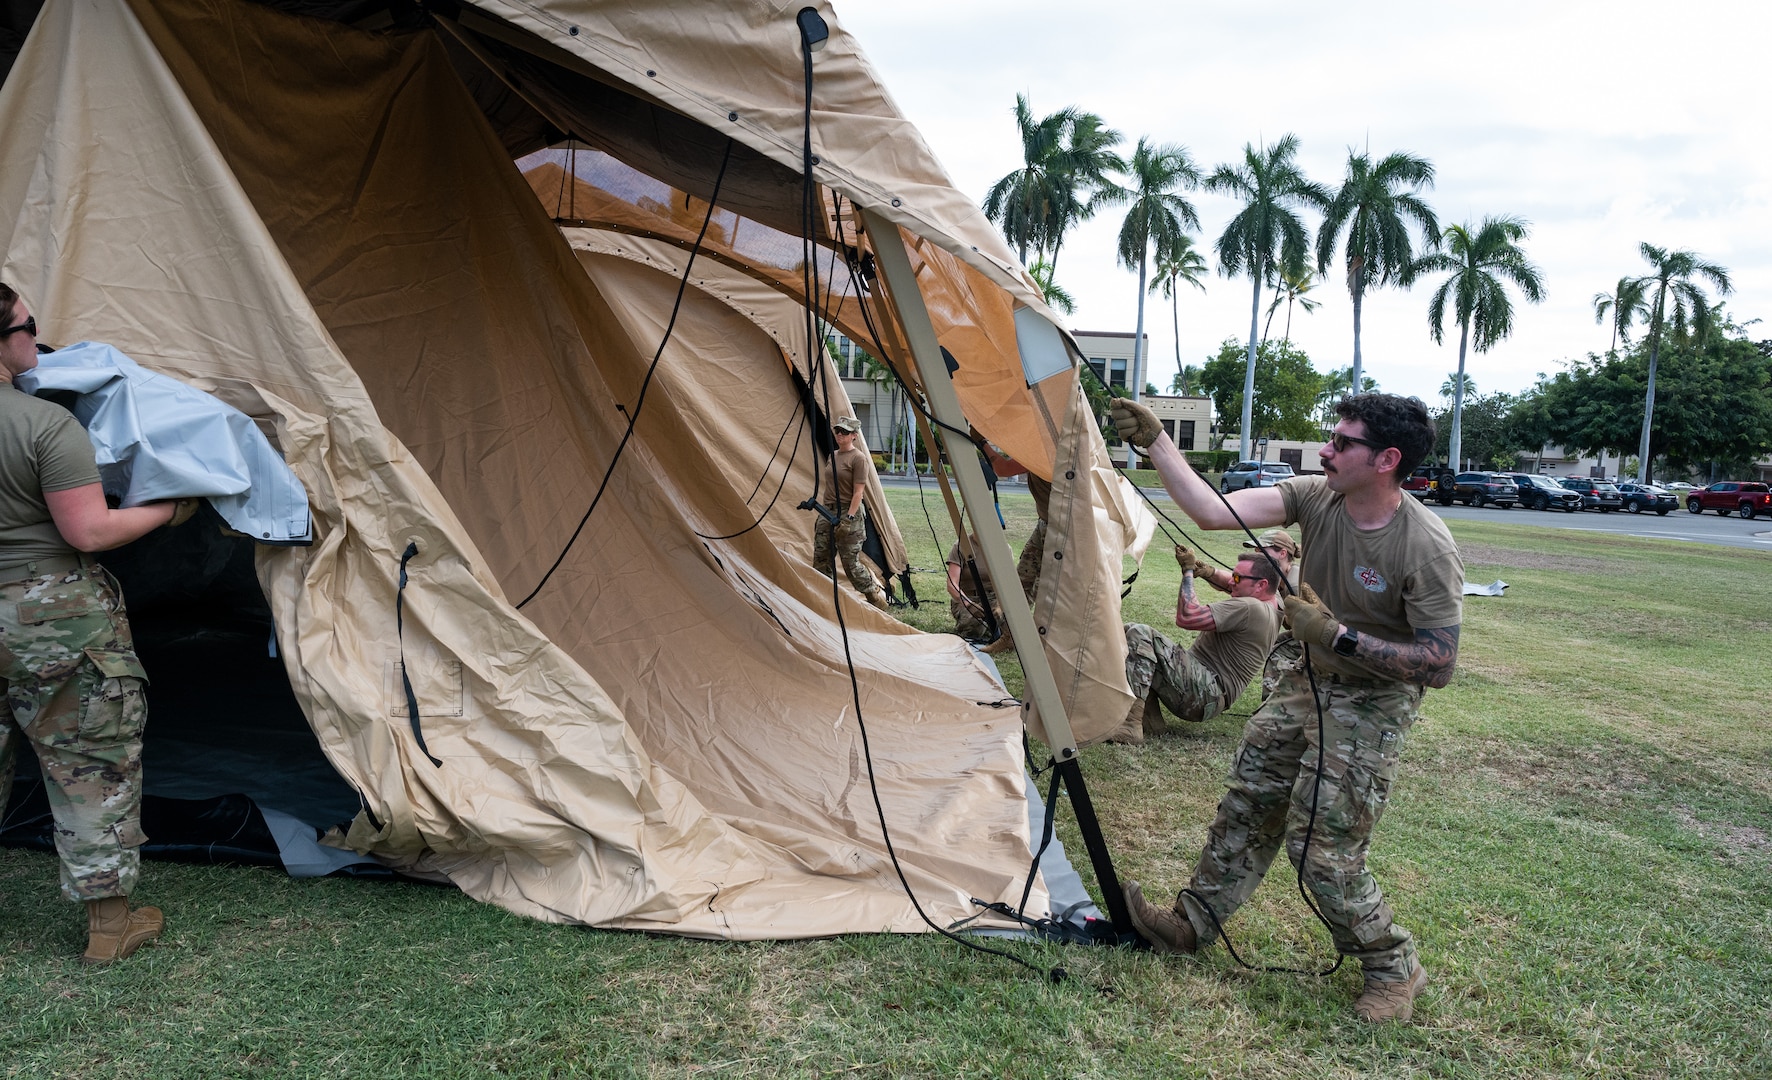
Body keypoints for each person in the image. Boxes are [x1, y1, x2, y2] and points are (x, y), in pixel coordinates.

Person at [1110, 392, 1462, 1024]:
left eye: (1342, 443)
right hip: (1309, 679)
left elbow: (1439, 663)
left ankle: (1391, 964)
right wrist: (1157, 441)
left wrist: (1339, 636)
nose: (1326, 450)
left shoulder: (1425, 547)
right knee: (1250, 799)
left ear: (1386, 460)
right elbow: (1210, 509)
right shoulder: (1316, 495)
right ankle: (1191, 925)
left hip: (1375, 697)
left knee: (1320, 847)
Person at [0, 284, 196, 964]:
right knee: (89, 765)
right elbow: (87, 528)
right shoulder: (44, 424)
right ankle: (110, 928)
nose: (37, 340)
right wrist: (170, 508)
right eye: (29, 327)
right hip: (54, 616)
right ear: (3, 341)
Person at [1113, 552, 1281, 744]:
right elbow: (1230, 583)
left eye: (1237, 577)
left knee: (1140, 634)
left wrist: (1188, 572)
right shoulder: (1274, 604)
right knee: (1130, 633)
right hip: (1208, 696)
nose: (1232, 582)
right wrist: (1209, 572)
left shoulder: (1250, 607)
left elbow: (1188, 616)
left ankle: (1130, 727)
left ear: (1262, 585)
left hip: (1205, 694)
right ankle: (1150, 719)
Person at [1181, 528, 1307, 699]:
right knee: (1277, 649)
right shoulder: (1278, 578)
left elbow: (1308, 624)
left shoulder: (1296, 585)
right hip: (1303, 631)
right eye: (1256, 550)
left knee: (1281, 655)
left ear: (1283, 553)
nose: (1257, 554)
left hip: (1315, 637)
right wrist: (1208, 572)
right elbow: (1239, 584)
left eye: (1262, 551)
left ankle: (1277, 708)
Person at [811, 416, 889, 611]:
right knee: (821, 559)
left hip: (849, 511)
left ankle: (877, 600)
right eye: (838, 431)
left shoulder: (859, 458)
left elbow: (858, 492)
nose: (839, 434)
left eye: (844, 432)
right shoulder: (833, 456)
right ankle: (824, 603)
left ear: (854, 435)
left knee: (850, 564)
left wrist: (849, 519)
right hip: (828, 510)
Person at [943, 533, 1010, 651]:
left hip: (994, 598)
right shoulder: (961, 546)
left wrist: (1000, 606)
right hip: (968, 598)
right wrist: (968, 604)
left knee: (1011, 624)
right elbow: (952, 584)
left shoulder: (1002, 547)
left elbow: (1007, 581)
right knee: (973, 627)